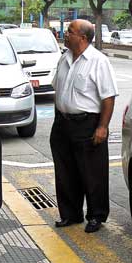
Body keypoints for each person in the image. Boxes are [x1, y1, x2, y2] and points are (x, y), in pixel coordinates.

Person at [50, 19, 118, 233]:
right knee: (65, 172)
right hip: (62, 123)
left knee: (92, 173)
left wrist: (102, 127)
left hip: (87, 124)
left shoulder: (99, 61)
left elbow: (108, 97)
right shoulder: (65, 58)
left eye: (70, 31)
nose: (66, 33)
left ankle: (96, 216)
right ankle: (71, 214)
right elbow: (57, 90)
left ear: (83, 38)